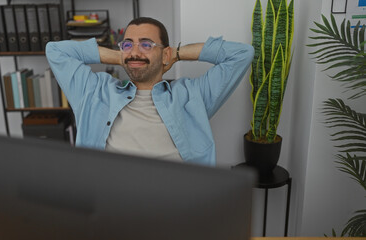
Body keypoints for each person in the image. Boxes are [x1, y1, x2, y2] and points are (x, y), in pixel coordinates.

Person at [46, 17, 254, 167]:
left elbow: (242, 54)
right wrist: (122, 57)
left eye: (146, 44)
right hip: (110, 209)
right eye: (128, 44)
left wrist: (178, 54)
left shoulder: (192, 96)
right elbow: (55, 51)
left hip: (174, 209)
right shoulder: (93, 92)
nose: (135, 51)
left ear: (165, 54)